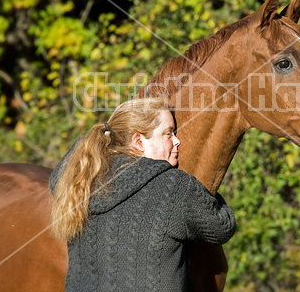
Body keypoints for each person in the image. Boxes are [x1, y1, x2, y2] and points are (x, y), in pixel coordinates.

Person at [49, 97, 236, 291]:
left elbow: (57, 176)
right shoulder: (174, 187)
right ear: (138, 141)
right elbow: (221, 227)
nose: (177, 141)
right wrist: (205, 188)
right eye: (168, 134)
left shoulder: (78, 183)